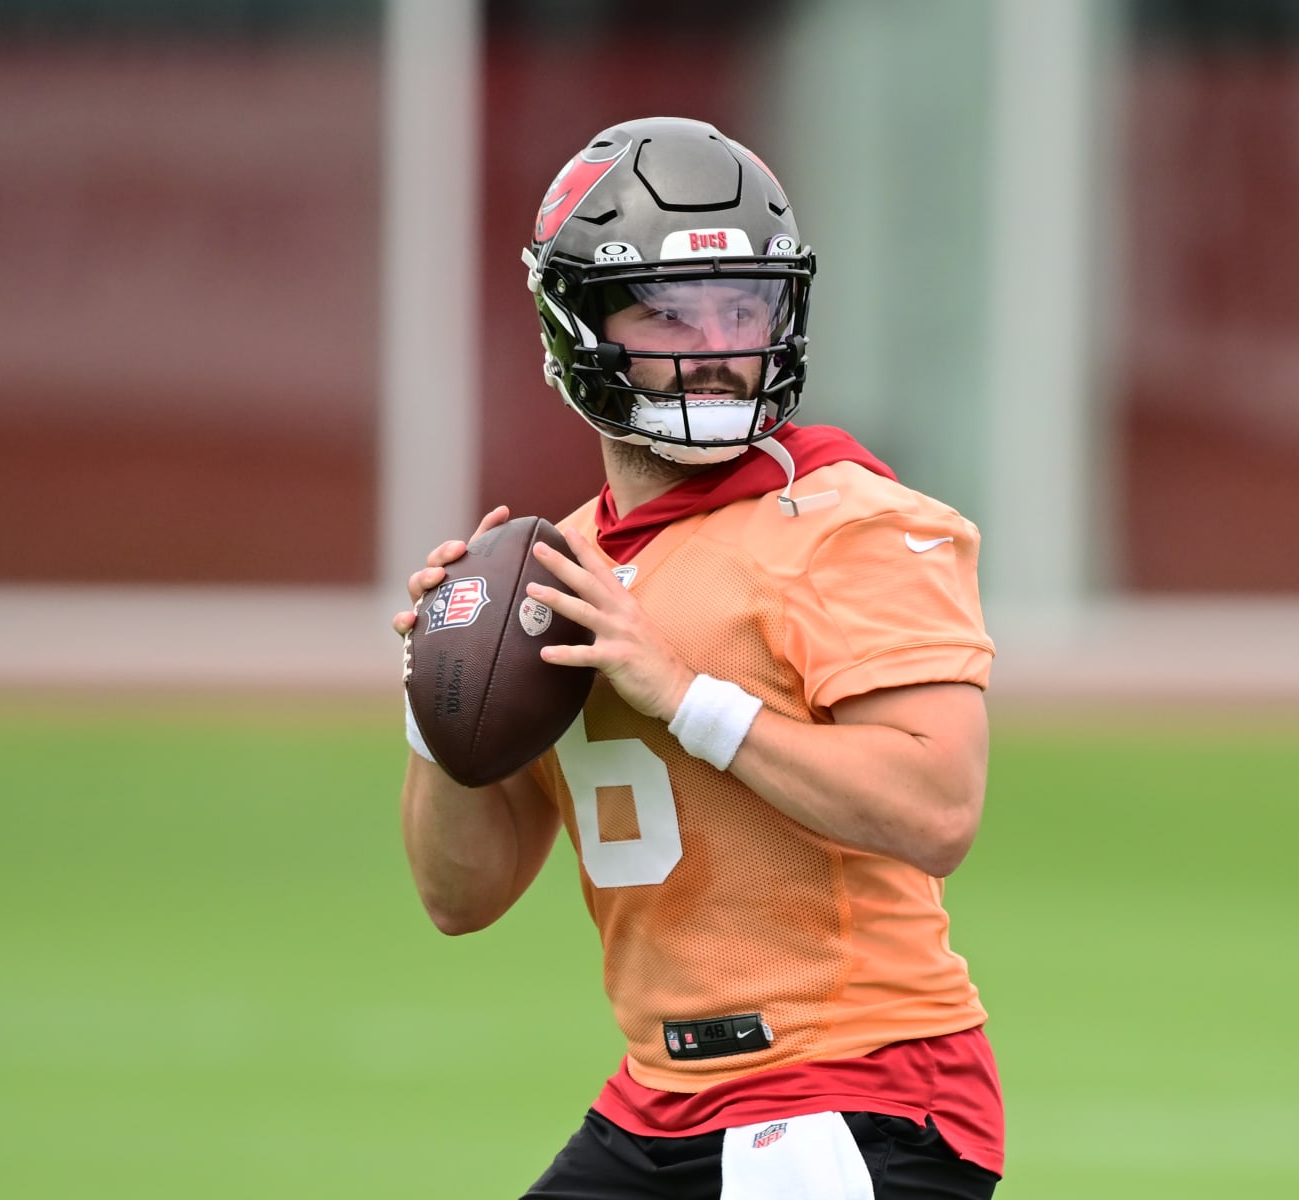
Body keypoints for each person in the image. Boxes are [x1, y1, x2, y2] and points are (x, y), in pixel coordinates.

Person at [393, 116, 1002, 1200]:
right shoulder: (558, 569)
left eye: (744, 306)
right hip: (658, 1101)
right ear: (574, 321)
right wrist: (436, 700)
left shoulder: (848, 521)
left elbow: (937, 810)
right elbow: (460, 896)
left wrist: (681, 693)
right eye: (670, 312)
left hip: (853, 1092)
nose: (717, 343)